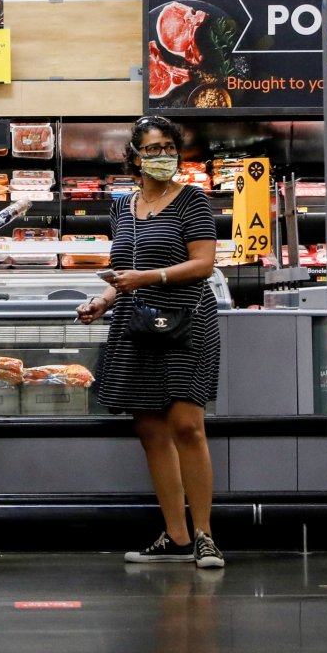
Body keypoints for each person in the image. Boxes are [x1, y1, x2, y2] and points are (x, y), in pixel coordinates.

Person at [76, 115, 224, 568]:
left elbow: (203, 264)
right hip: (136, 323)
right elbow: (123, 268)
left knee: (186, 426)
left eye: (168, 148)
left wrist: (151, 277)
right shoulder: (122, 206)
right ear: (135, 157)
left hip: (186, 322)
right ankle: (175, 536)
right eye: (153, 149)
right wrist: (103, 299)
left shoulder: (192, 201)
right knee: (152, 433)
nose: (163, 157)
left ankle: (205, 536)